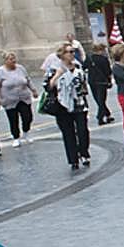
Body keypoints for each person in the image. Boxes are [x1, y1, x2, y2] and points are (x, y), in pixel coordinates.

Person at [45, 43, 91, 172]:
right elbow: (48, 86)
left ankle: (84, 153)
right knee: (68, 133)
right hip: (62, 105)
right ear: (62, 55)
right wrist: (57, 76)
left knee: (83, 130)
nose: (72, 54)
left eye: (73, 51)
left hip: (79, 103)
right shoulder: (54, 69)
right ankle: (73, 159)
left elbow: (83, 83)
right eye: (69, 52)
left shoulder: (78, 66)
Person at [0, 52, 37, 149]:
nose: (13, 61)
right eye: (10, 59)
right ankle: (16, 137)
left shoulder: (20, 68)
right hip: (9, 99)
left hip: (23, 97)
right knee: (13, 119)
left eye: (14, 58)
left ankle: (26, 131)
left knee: (27, 117)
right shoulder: (0, 71)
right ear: (5, 61)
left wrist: (33, 90)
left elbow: (27, 79)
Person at [85, 42, 115, 126]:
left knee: (98, 100)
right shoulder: (104, 59)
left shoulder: (89, 58)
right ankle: (100, 117)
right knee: (101, 99)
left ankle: (107, 114)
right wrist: (109, 80)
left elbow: (84, 66)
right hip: (102, 81)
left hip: (92, 81)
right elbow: (108, 71)